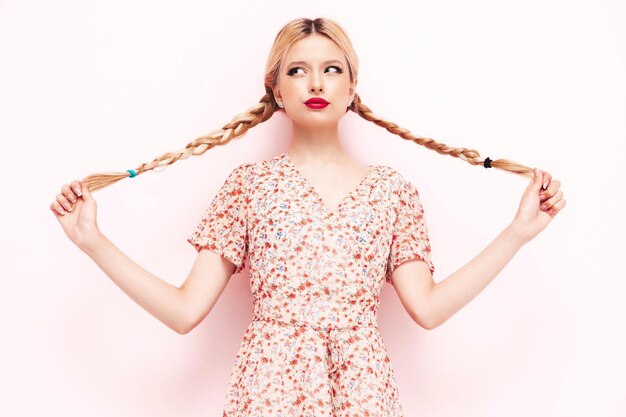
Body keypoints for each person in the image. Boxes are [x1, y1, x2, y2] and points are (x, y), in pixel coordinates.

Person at [50, 17, 565, 416]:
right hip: (268, 391)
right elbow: (185, 311)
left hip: (364, 391)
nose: (315, 81)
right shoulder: (248, 186)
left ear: (351, 86)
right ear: (277, 90)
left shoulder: (392, 192)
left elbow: (428, 308)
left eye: (331, 68)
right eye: (297, 69)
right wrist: (93, 241)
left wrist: (517, 233)